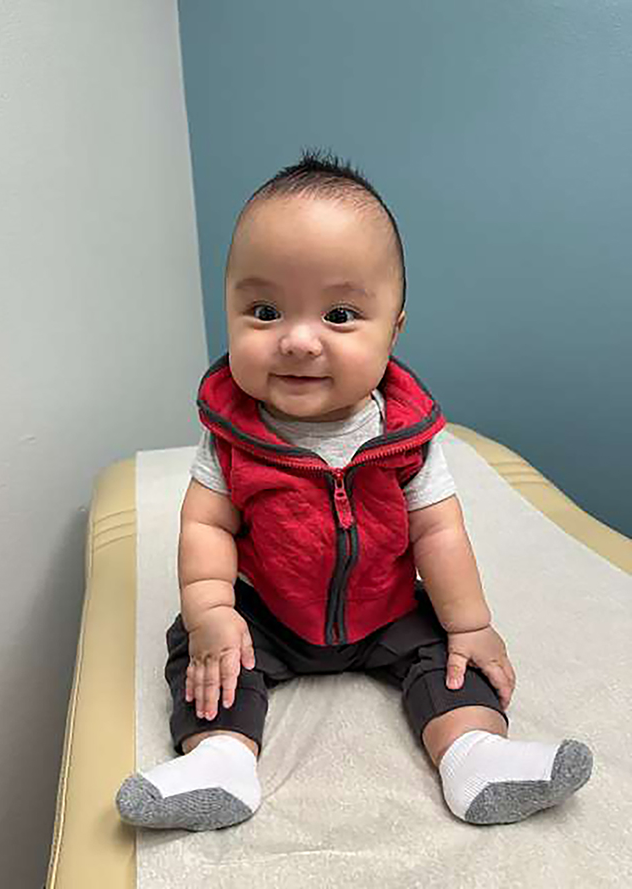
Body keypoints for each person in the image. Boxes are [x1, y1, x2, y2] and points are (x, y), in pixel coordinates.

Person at [116, 150, 592, 832]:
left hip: (386, 609)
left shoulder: (402, 436)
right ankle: (219, 756)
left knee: (447, 654)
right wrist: (210, 607)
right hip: (270, 613)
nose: (299, 340)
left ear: (392, 330)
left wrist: (469, 622)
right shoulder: (232, 435)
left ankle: (473, 753)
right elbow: (206, 527)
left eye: (339, 313)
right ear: (226, 309)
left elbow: (437, 529)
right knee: (202, 651)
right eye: (263, 309)